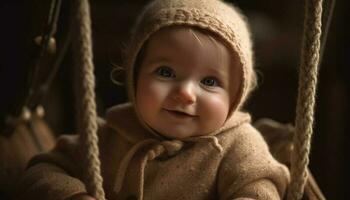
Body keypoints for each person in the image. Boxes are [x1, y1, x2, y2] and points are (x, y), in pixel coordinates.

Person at [16, 0, 290, 199]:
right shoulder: (109, 134)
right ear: (135, 75)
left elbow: (263, 182)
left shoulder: (238, 143)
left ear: (236, 96)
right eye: (165, 72)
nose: (185, 93)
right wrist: (74, 195)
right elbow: (40, 172)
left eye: (209, 82)